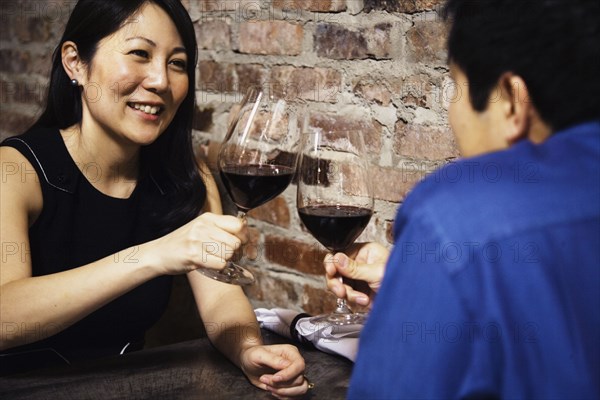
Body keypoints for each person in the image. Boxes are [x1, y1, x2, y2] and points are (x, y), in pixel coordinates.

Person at [0, 0, 309, 396]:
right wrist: (151, 256)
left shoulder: (183, 178)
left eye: (177, 63)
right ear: (75, 63)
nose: (161, 80)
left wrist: (249, 350)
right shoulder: (18, 170)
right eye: (140, 54)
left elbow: (219, 301)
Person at [324, 0, 600, 398]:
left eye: (455, 86)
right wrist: (433, 287)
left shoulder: (455, 220)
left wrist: (444, 265)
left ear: (510, 99)